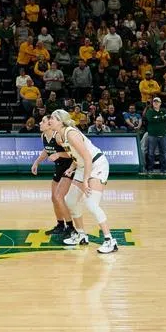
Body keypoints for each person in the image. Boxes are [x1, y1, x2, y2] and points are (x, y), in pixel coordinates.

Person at [48, 109, 119, 254]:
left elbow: (87, 156)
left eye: (53, 118)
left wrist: (85, 180)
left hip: (96, 164)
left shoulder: (71, 133)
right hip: (82, 166)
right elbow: (75, 154)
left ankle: (110, 240)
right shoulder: (59, 135)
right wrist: (72, 167)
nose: (50, 120)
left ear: (61, 121)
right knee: (71, 200)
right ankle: (81, 235)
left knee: (91, 203)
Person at [31, 116, 74, 237]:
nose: (40, 123)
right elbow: (46, 150)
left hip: (69, 168)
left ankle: (70, 228)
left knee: (59, 197)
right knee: (54, 198)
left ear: (50, 125)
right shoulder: (43, 136)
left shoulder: (58, 136)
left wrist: (58, 154)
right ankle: (60, 225)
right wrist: (36, 162)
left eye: (43, 121)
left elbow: (72, 153)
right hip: (59, 168)